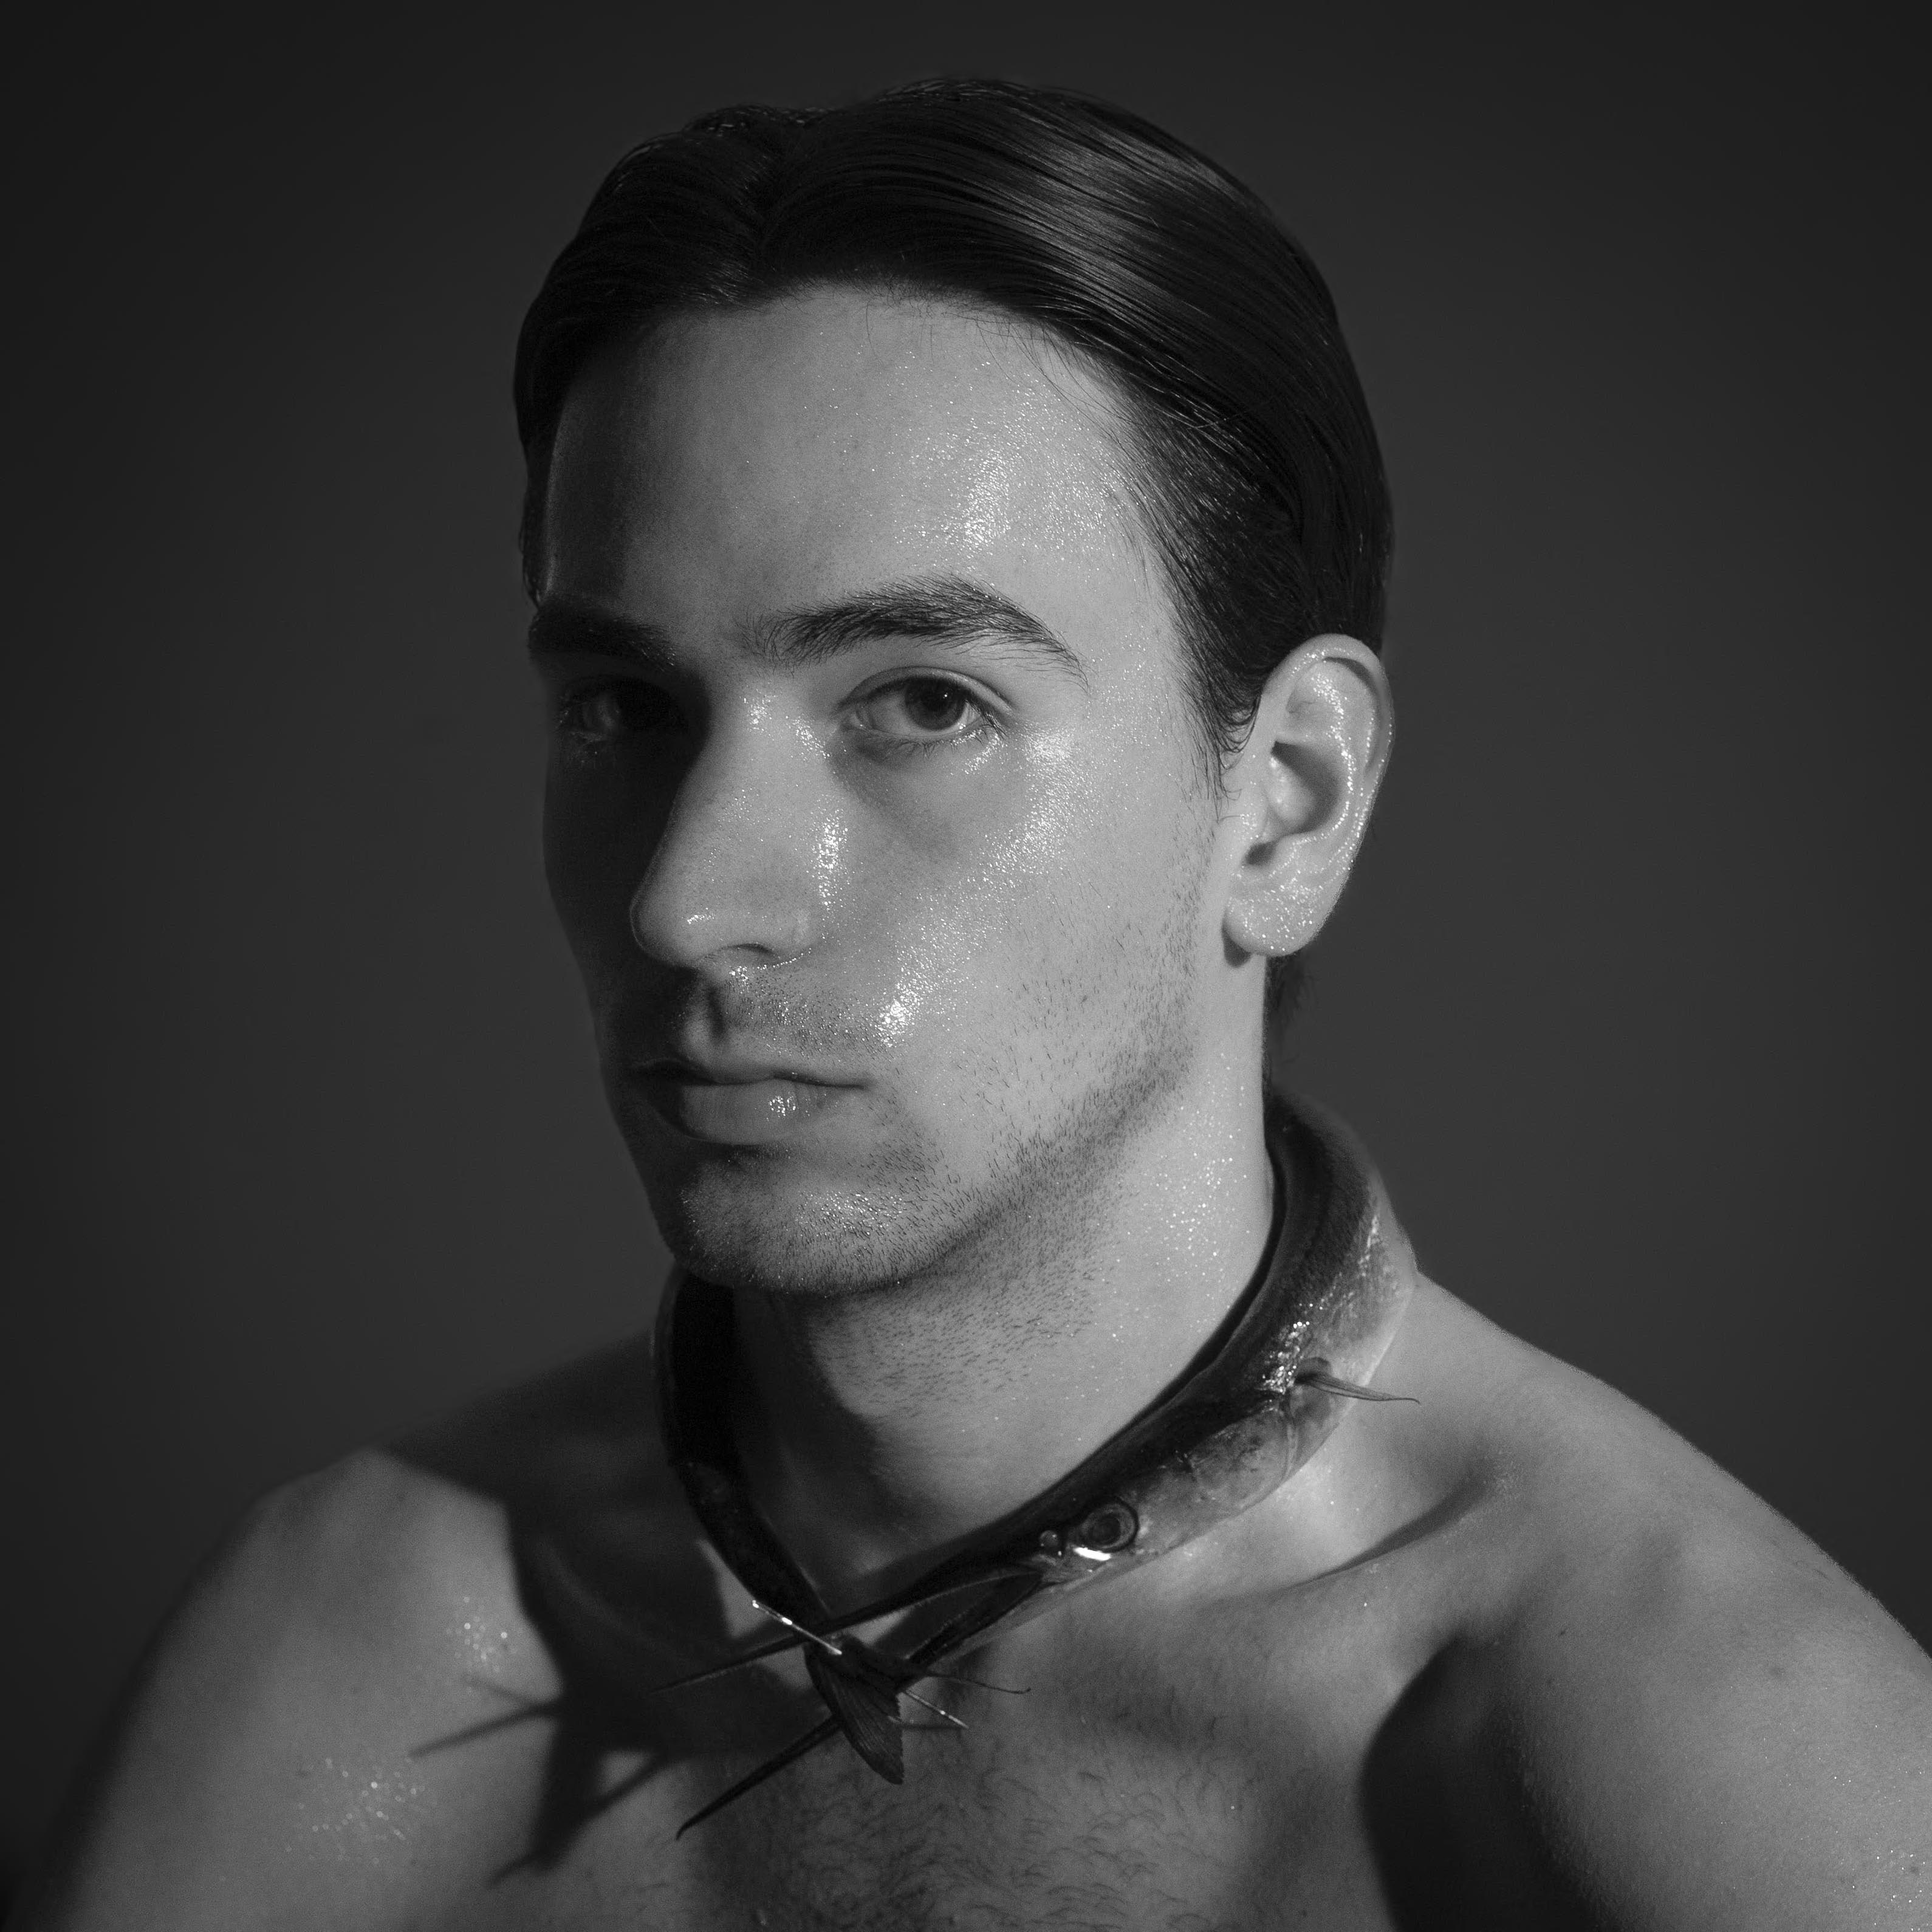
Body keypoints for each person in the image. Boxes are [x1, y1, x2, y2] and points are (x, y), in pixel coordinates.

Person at [18, 78, 1928, 1932]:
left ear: (1286, 801)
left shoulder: (1704, 1757)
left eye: (922, 702)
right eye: (626, 706)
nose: (686, 899)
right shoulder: (351, 1648)